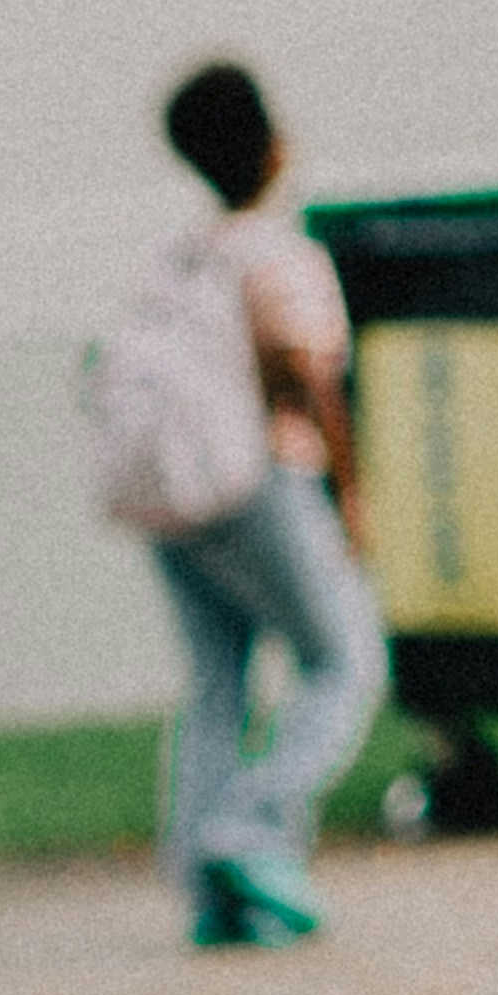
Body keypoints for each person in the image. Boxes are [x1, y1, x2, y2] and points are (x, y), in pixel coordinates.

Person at [142, 58, 387, 944]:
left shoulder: (177, 259)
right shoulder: (279, 254)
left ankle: (211, 894)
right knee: (344, 662)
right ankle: (247, 833)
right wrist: (350, 491)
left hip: (172, 495)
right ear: (271, 149)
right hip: (261, 483)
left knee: (218, 680)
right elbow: (306, 374)